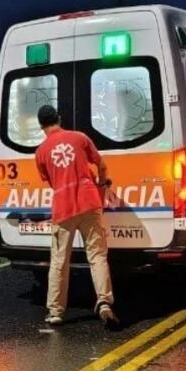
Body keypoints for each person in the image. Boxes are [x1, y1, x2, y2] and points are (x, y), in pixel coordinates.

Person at [34, 106, 120, 328]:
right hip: (90, 203)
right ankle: (104, 303)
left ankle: (55, 312)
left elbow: (51, 181)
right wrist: (103, 183)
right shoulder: (79, 137)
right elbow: (101, 164)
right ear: (59, 119)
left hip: (63, 209)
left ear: (40, 125)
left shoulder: (41, 151)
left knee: (59, 261)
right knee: (97, 256)